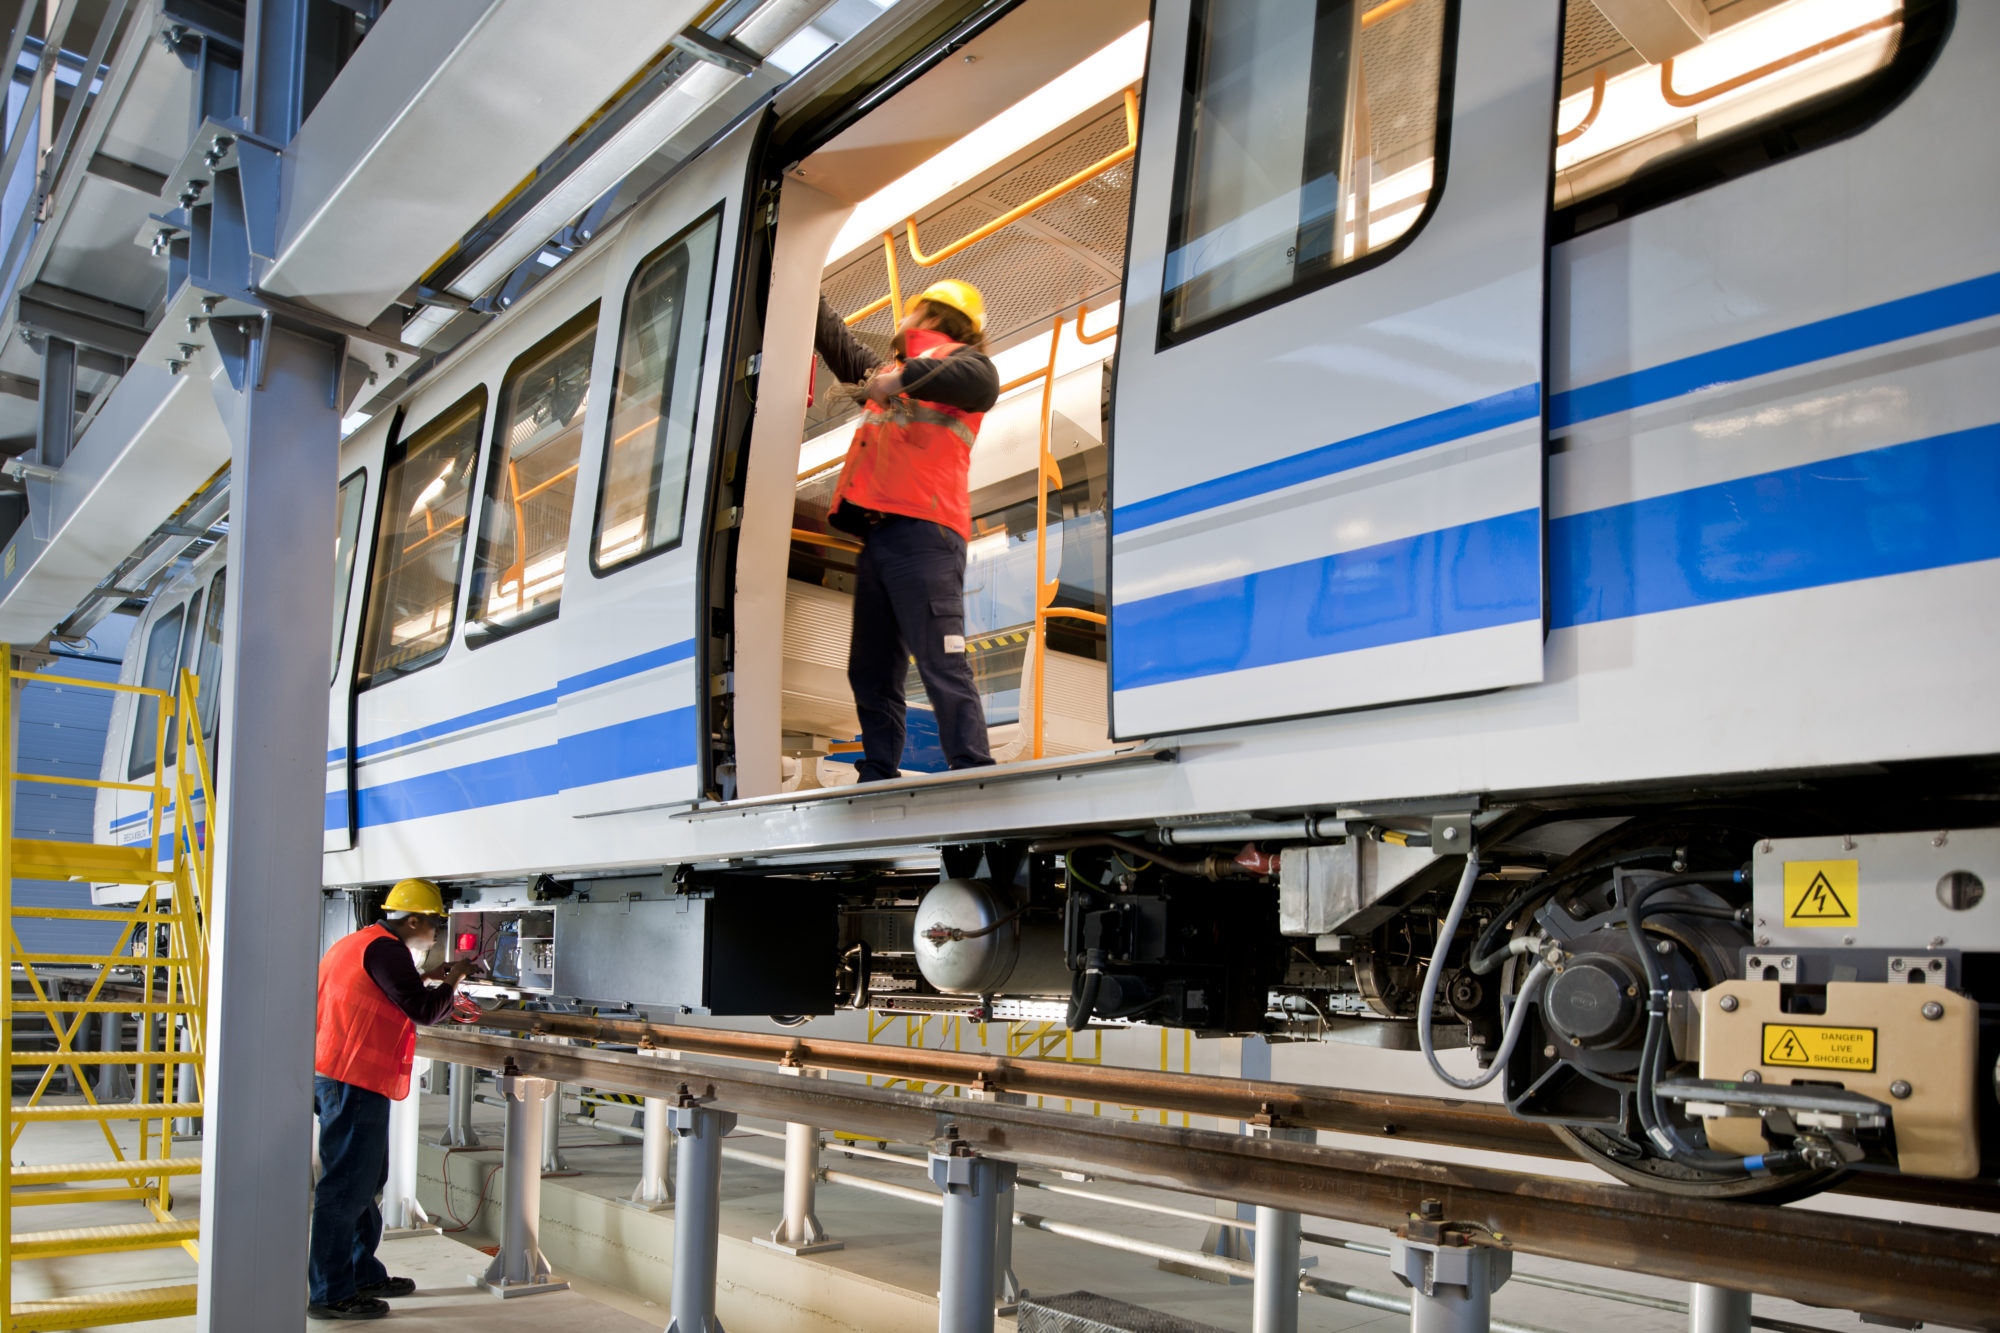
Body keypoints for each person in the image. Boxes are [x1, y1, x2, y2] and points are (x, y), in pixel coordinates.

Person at [814, 279, 1002, 781]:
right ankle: (878, 769)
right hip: (879, 536)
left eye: (913, 312)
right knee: (871, 669)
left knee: (941, 658)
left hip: (926, 533)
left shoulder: (965, 368)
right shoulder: (887, 373)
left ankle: (971, 766)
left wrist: (898, 381)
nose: (905, 319)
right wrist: (795, 281)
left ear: (934, 317)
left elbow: (979, 381)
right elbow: (837, 342)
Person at [309, 878, 478, 1321]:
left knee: (364, 1181)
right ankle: (329, 1293)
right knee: (346, 1186)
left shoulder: (364, 943)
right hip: (353, 1077)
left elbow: (382, 989)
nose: (438, 934)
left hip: (338, 1071)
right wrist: (455, 979)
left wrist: (429, 977)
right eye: (436, 925)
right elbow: (422, 1010)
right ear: (414, 920)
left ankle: (361, 1272)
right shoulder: (386, 950)